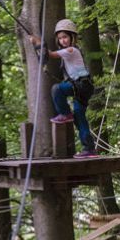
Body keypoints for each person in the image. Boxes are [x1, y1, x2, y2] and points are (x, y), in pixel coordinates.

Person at [31, 19, 98, 159]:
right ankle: (89, 148)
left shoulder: (71, 50)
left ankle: (65, 113)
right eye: (60, 38)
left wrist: (37, 42)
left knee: (57, 89)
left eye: (65, 37)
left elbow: (50, 55)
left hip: (81, 85)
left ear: (72, 37)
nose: (63, 40)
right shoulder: (68, 52)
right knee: (80, 118)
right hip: (82, 87)